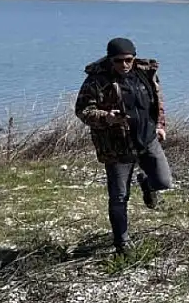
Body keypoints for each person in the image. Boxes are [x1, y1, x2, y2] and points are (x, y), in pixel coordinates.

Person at [74, 37, 172, 254]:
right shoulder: (96, 80)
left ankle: (147, 185)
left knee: (164, 181)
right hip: (116, 146)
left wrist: (160, 126)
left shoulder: (146, 73)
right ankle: (122, 243)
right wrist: (107, 117)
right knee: (119, 197)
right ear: (110, 60)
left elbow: (158, 101)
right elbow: (82, 111)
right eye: (119, 61)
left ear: (134, 58)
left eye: (128, 60)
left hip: (147, 137)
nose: (124, 65)